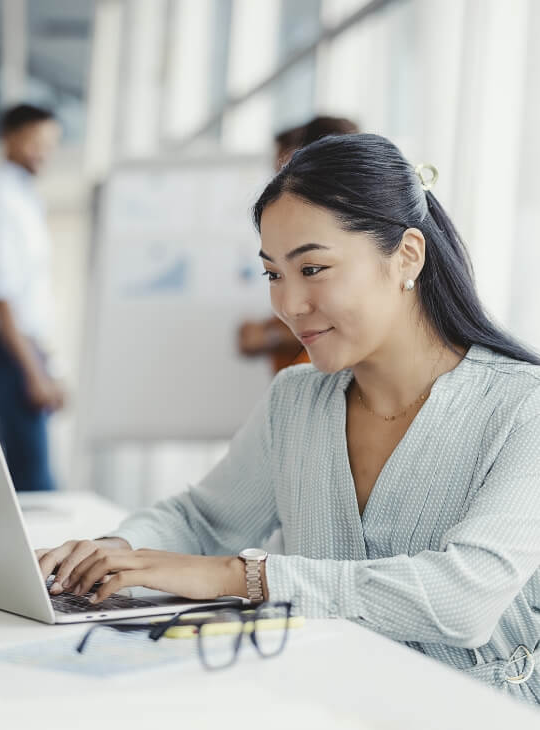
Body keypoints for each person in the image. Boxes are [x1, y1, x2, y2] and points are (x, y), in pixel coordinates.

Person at [37, 133, 540, 704]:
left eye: (314, 268)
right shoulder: (298, 399)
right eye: (274, 274)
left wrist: (242, 577)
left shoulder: (524, 408)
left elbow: (464, 600)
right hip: (320, 703)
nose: (289, 305)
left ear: (407, 256)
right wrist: (114, 550)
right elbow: (204, 520)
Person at [0, 104, 64, 492]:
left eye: (51, 144)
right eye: (35, 141)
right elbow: (2, 297)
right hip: (8, 352)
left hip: (24, 351)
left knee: (19, 478)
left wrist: (48, 366)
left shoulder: (25, 199)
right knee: (35, 483)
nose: (43, 152)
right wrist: (35, 372)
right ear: (9, 138)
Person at [238, 115, 359, 374]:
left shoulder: (350, 235)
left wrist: (269, 336)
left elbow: (350, 317)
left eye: (284, 170)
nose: (279, 186)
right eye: (272, 274)